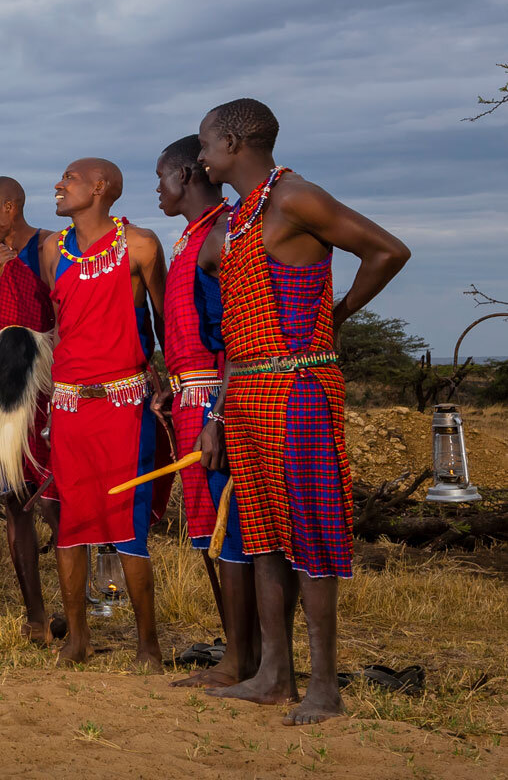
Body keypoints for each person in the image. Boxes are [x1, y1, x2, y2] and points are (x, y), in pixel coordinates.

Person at [196, 99, 409, 724]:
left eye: (207, 143)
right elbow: (233, 323)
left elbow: (387, 251)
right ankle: (273, 676)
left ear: (233, 142)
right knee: (263, 536)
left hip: (298, 391)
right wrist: (221, 410)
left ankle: (324, 687)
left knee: (312, 535)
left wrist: (336, 316)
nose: (201, 154)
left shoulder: (295, 198)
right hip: (251, 392)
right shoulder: (238, 218)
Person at [39, 158, 168, 668]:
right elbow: (61, 323)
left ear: (100, 189)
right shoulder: (53, 250)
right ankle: (78, 639)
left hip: (123, 407)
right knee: (72, 522)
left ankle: (148, 645)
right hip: (69, 404)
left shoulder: (140, 245)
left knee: (126, 525)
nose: (58, 184)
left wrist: (168, 381)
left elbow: (165, 318)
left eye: (68, 178)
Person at [154, 136, 258, 686]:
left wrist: (217, 412)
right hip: (195, 398)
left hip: (221, 402)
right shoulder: (194, 237)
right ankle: (239, 653)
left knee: (230, 528)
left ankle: (244, 659)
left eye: (162, 177)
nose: (157, 189)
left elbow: (232, 337)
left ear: (188, 175)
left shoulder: (221, 232)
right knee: (211, 530)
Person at [0, 176, 58, 644]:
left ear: (10, 206)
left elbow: (63, 315)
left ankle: (76, 608)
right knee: (15, 498)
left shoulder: (49, 246)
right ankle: (36, 616)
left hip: (45, 379)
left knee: (54, 498)